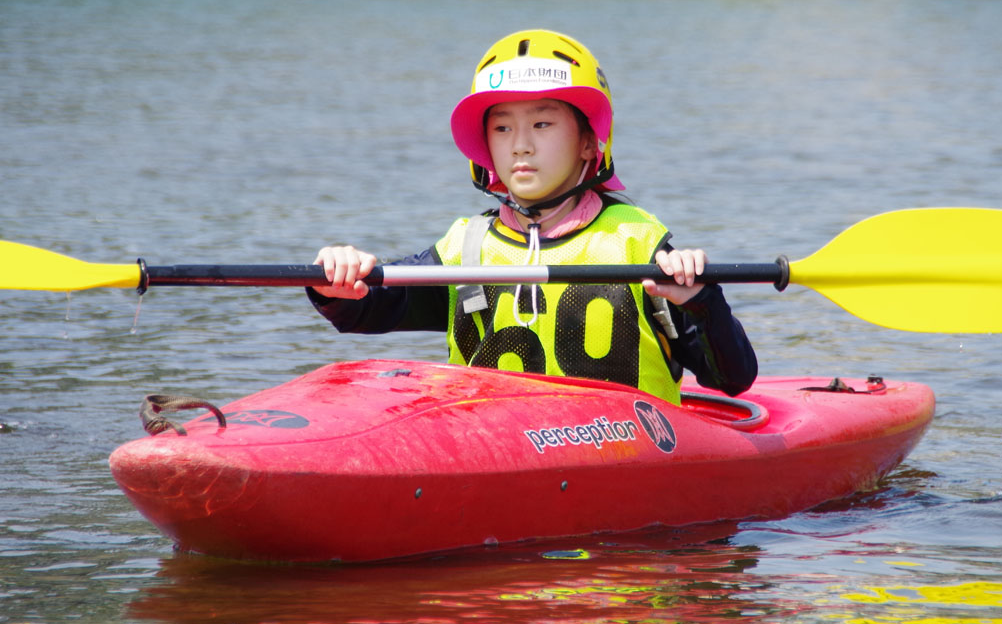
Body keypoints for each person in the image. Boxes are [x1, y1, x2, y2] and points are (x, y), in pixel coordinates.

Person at [308, 29, 756, 405]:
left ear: (588, 143)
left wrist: (701, 299)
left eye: (542, 125)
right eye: (502, 127)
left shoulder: (639, 244)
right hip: (493, 448)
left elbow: (732, 379)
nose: (520, 145)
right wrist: (335, 280)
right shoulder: (466, 247)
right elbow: (366, 309)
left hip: (622, 458)